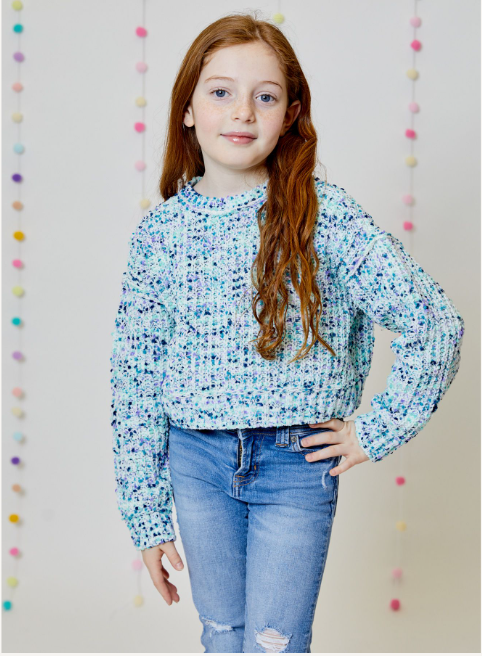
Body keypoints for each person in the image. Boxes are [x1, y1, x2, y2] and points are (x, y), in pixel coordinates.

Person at [109, 12, 465, 653]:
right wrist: (146, 515)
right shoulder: (160, 235)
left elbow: (434, 323)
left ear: (290, 114)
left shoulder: (326, 218)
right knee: (223, 637)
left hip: (294, 467)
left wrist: (377, 430)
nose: (242, 111)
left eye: (265, 96)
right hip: (195, 463)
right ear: (187, 108)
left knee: (275, 643)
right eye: (221, 91)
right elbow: (134, 380)